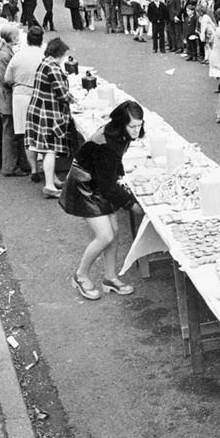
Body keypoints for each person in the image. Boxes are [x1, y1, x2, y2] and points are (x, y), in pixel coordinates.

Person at [61, 100, 145, 301]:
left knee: (114, 232)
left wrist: (122, 179)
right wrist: (131, 204)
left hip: (98, 181)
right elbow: (108, 186)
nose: (136, 130)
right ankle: (80, 275)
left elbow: (113, 166)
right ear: (120, 124)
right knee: (105, 236)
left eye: (139, 125)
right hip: (84, 186)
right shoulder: (106, 143)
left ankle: (109, 278)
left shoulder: (119, 135)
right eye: (132, 126)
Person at [25, 37, 76, 197]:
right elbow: (61, 93)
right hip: (47, 112)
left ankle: (52, 179)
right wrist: (75, 100)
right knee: (50, 149)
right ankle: (49, 187)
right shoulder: (53, 67)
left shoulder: (44, 63)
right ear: (59, 54)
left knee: (46, 149)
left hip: (39, 109)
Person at [4, 26, 45, 181]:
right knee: (40, 132)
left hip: (20, 95)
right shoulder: (45, 56)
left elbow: (8, 79)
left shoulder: (18, 56)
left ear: (27, 40)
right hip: (39, 95)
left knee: (26, 134)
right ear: (41, 40)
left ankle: (33, 168)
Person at [0, 24, 30, 176]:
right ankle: (10, 167)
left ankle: (19, 163)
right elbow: (6, 80)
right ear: (12, 37)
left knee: (14, 133)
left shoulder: (4, 52)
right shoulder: (3, 56)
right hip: (6, 100)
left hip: (4, 98)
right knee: (10, 135)